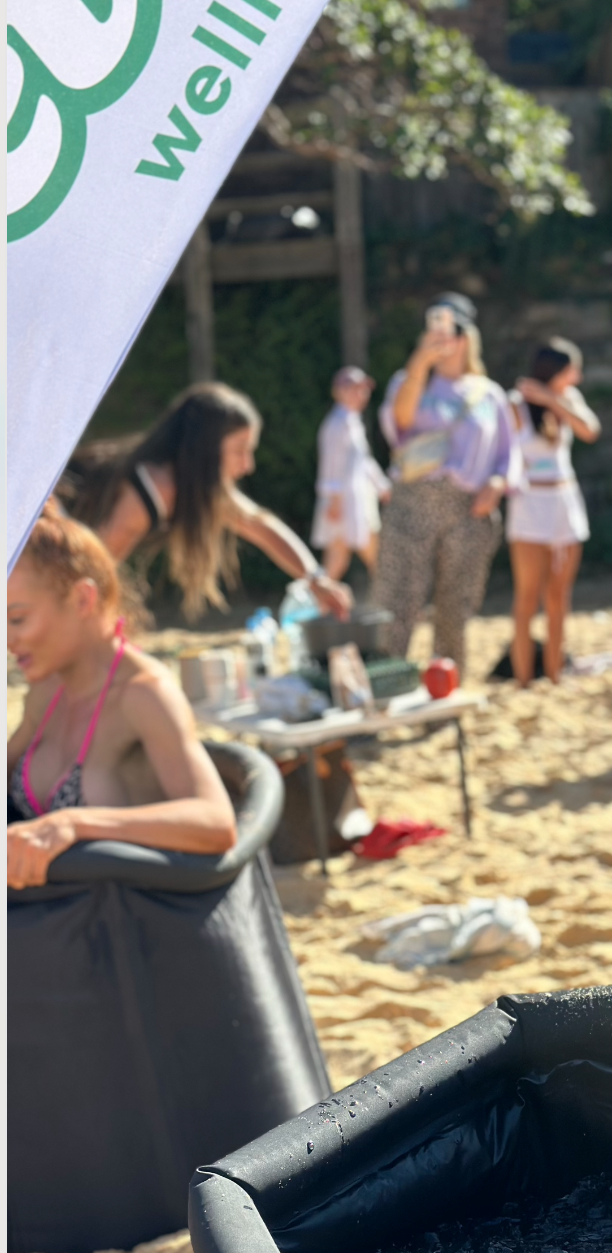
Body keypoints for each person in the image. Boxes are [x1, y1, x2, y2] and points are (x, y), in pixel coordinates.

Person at [7, 505, 237, 888]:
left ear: (83, 599)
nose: (7, 639)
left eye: (17, 619)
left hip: (131, 927)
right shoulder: (47, 689)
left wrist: (75, 823)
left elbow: (215, 823)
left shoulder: (144, 695)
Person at [61, 382, 352, 621]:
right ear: (206, 450)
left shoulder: (191, 484)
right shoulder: (154, 488)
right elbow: (92, 573)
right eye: (240, 450)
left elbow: (261, 527)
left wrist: (316, 579)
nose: (248, 465)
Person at [375, 293, 521, 678]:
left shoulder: (489, 393)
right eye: (433, 328)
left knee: (455, 609)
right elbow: (400, 424)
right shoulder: (409, 381)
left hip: (469, 508)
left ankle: (446, 695)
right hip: (413, 502)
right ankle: (388, 690)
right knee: (397, 604)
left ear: (466, 336)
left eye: (449, 329)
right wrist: (419, 362)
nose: (441, 336)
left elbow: (509, 452)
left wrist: (497, 482)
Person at [506, 338, 600, 686]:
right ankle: (523, 678)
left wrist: (551, 401)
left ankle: (556, 673)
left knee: (559, 595)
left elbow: (590, 430)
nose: (576, 376)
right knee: (527, 596)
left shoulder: (566, 400)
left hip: (564, 500)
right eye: (570, 369)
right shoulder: (515, 405)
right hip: (530, 504)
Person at [312, 366, 391, 582]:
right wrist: (334, 500)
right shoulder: (336, 424)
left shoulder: (351, 421)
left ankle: (395, 605)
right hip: (344, 504)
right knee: (337, 562)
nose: (360, 394)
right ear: (338, 392)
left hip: (357, 502)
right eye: (353, 389)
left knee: (369, 556)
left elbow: (364, 462)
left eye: (362, 389)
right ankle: (303, 610)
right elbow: (330, 465)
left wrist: (382, 486)